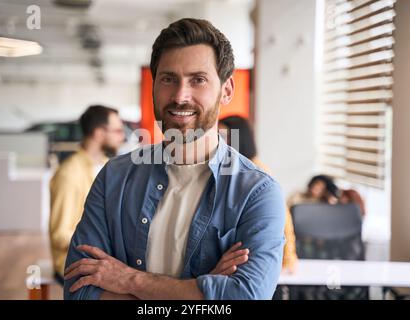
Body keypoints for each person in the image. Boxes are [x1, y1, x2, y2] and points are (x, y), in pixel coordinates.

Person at [63, 18, 285, 300]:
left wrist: (129, 280)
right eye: (168, 79)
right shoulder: (114, 177)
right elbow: (78, 291)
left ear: (226, 90)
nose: (180, 96)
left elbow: (245, 297)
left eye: (198, 80)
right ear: (154, 86)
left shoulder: (256, 193)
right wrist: (201, 291)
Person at [49, 105, 126, 284]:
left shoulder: (111, 168)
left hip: (105, 258)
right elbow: (60, 234)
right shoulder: (69, 174)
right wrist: (107, 246)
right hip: (77, 264)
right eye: (117, 131)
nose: (122, 137)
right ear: (99, 134)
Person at [219, 115, 298, 273]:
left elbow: (283, 219)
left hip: (253, 262)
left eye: (223, 137)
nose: (217, 142)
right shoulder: (227, 168)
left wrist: (288, 259)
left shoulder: (258, 174)